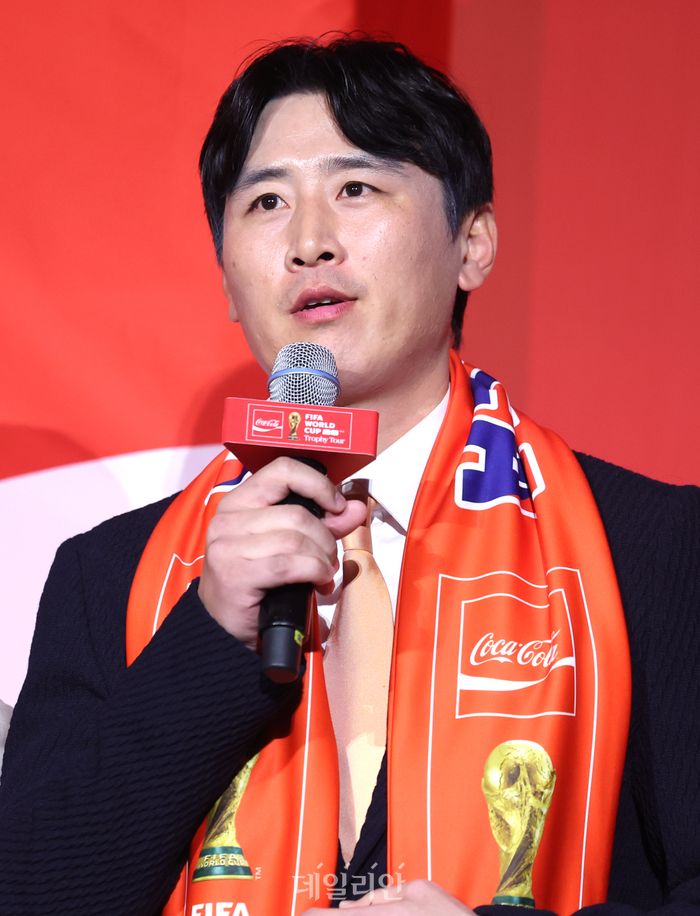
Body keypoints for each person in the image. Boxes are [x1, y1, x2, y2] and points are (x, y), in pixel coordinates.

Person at [1, 36, 698, 916]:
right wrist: (211, 634)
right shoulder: (109, 578)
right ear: (226, 279)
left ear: (473, 243)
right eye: (266, 202)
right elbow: (31, 892)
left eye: (356, 188)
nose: (308, 243)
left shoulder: (650, 549)